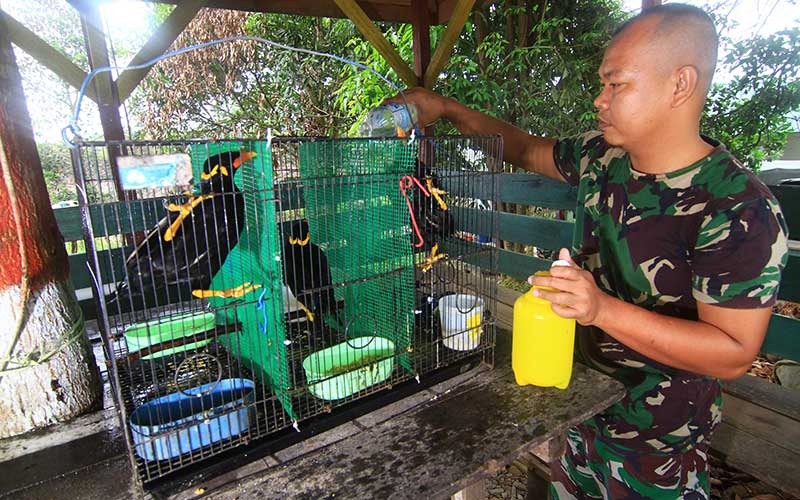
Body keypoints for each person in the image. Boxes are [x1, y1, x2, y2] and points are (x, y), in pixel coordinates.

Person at [386, 4, 788, 499]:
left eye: (616, 84)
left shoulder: (735, 207)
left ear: (680, 85)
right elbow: (522, 148)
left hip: (655, 442)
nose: (600, 100)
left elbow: (732, 354)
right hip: (579, 406)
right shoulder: (604, 157)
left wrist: (600, 309)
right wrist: (442, 106)